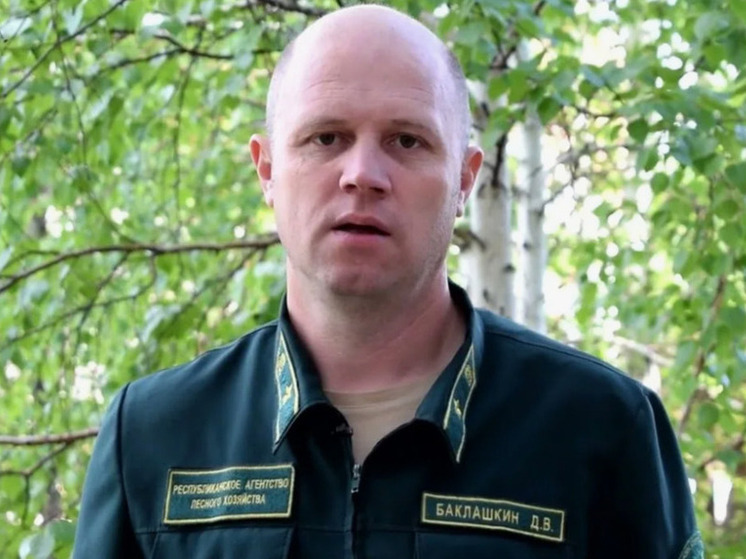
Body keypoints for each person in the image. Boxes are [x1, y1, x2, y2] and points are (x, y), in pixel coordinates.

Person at [72, 5, 703, 558]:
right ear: (267, 170)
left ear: (464, 180)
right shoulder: (153, 433)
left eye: (407, 140)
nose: (363, 174)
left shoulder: (602, 427)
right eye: (326, 137)